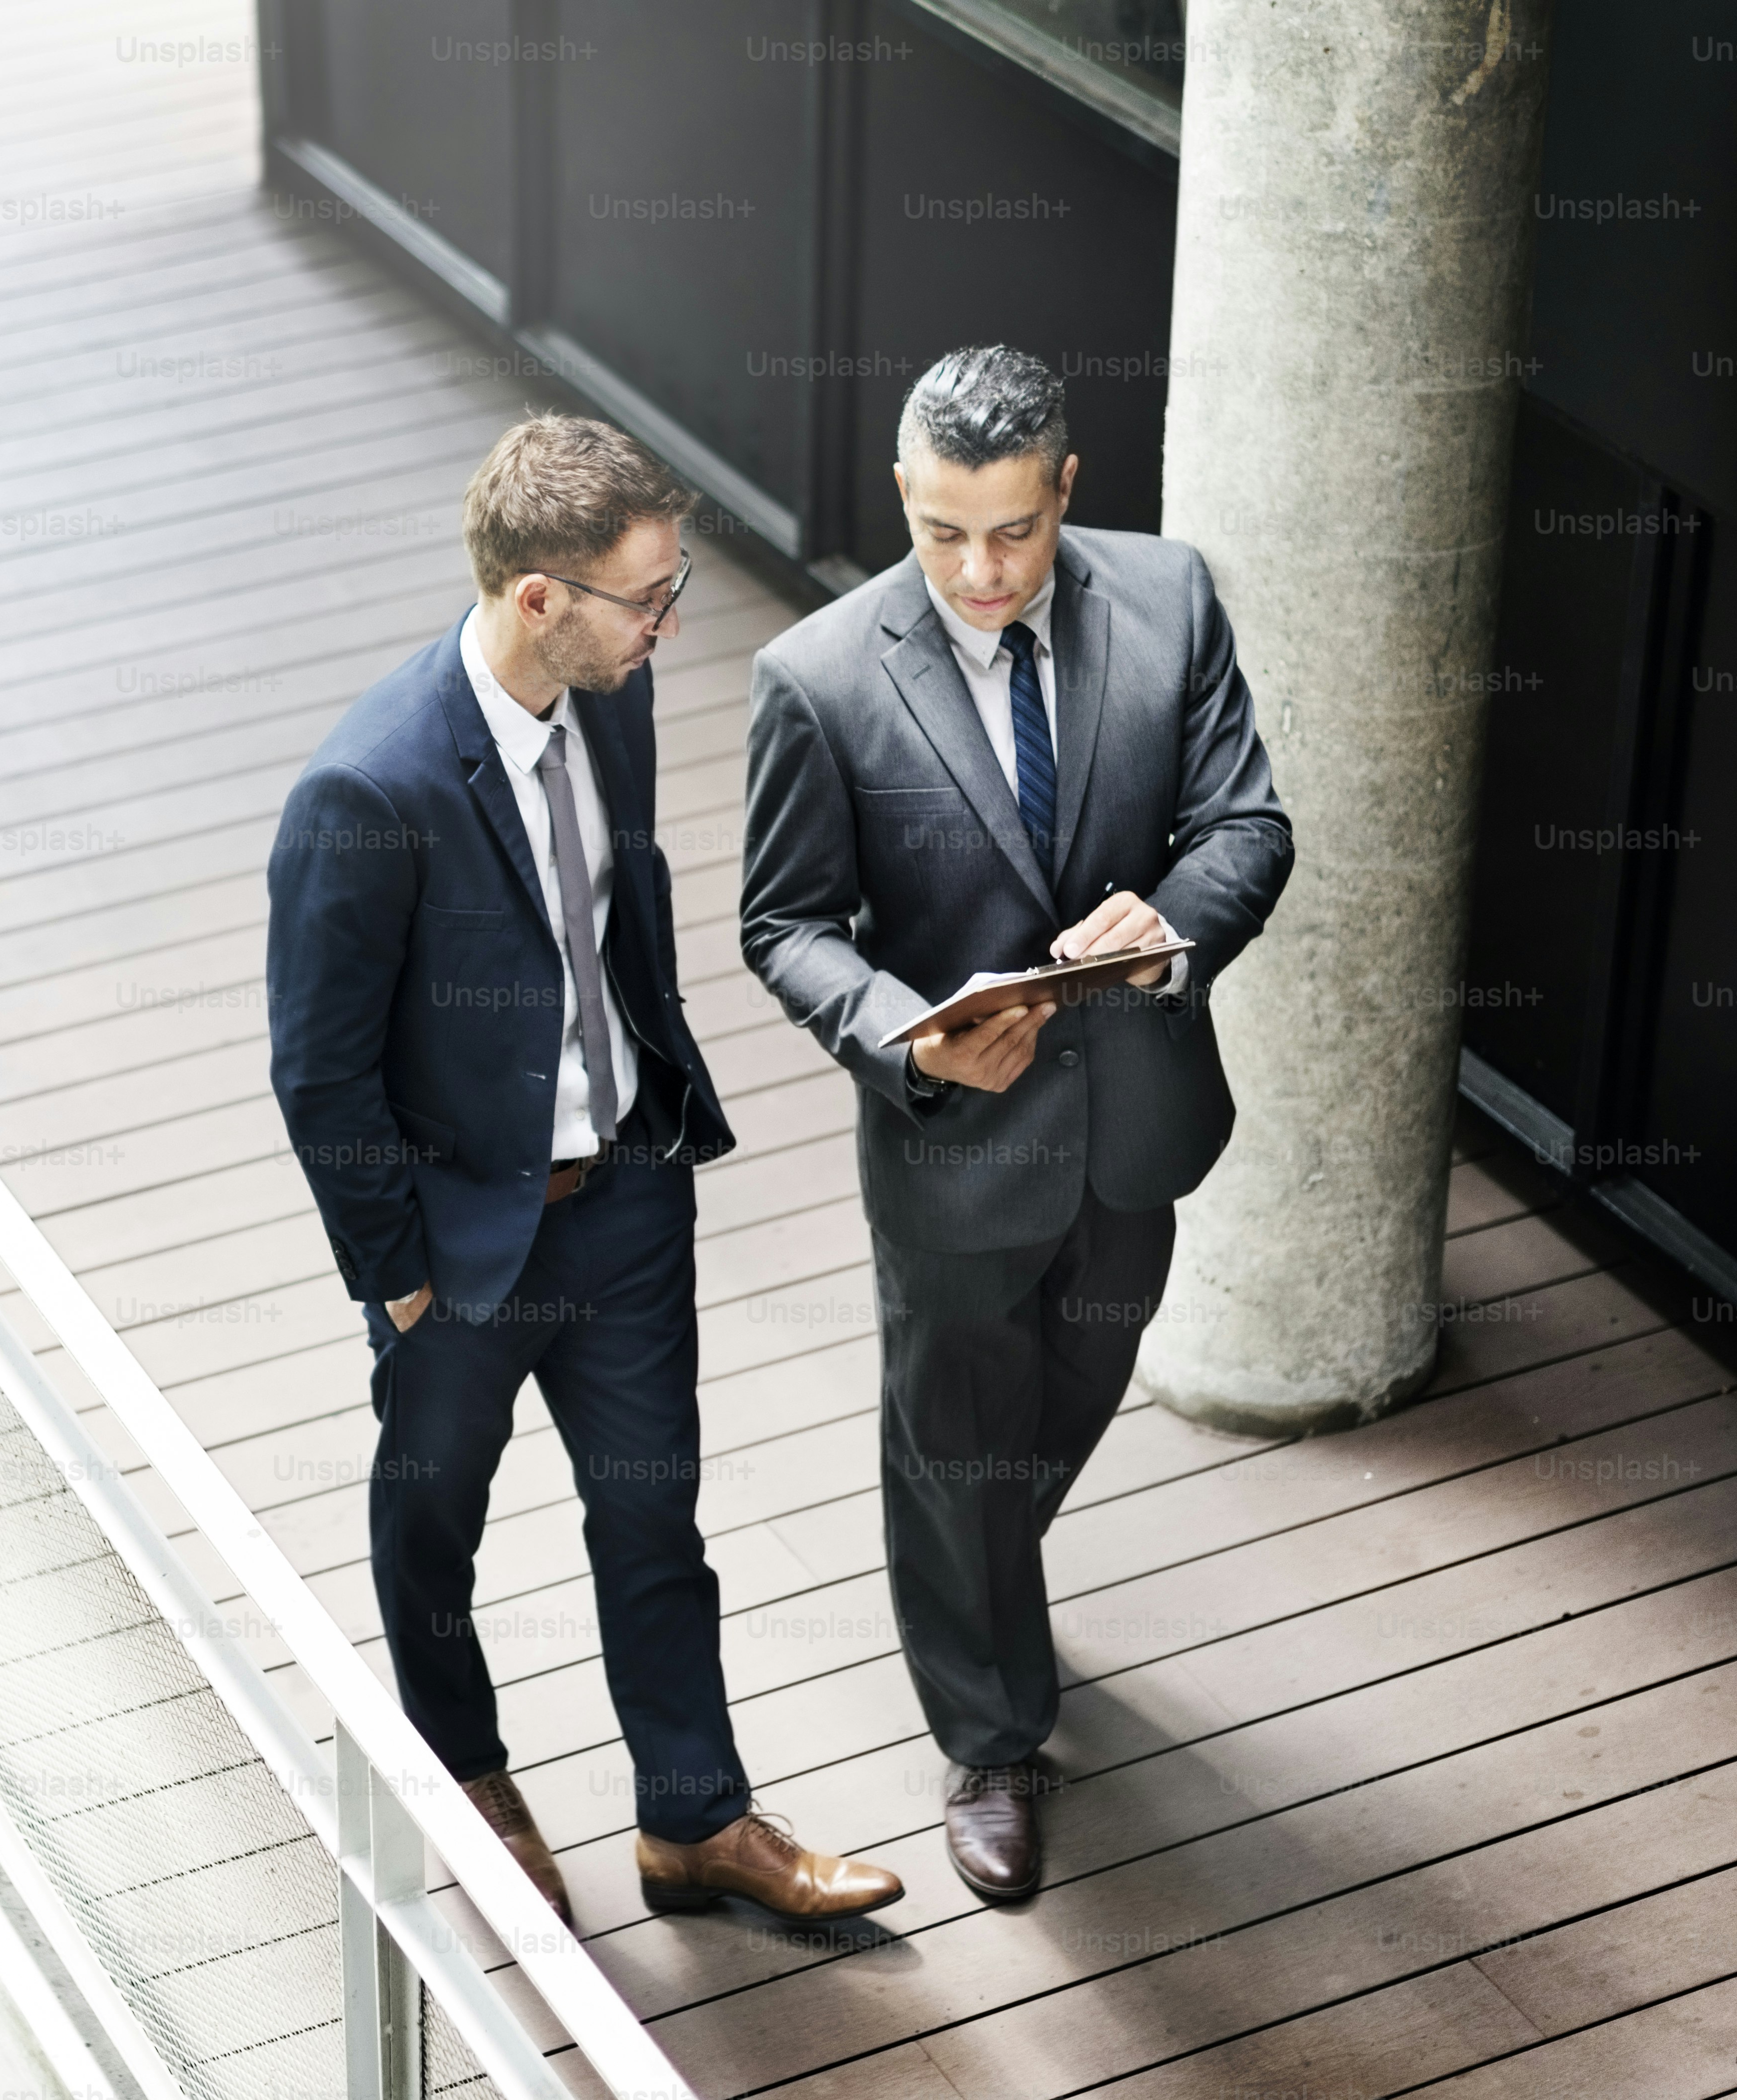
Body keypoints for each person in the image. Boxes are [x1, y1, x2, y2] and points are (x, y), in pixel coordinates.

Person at [267, 412, 901, 1926]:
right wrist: (401, 1277)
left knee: (654, 1523)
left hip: (622, 1200)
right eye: (648, 597)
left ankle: (693, 1819)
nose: (669, 624)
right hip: (461, 1249)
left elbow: (618, 919)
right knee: (433, 1530)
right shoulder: (367, 791)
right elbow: (320, 1068)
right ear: (539, 597)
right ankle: (469, 1785)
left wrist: (654, 1125)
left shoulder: (609, 697)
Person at [740, 347, 1293, 1902]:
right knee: (956, 1435)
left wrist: (1171, 920)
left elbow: (1247, 822)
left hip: (1134, 1118)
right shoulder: (820, 679)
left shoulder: (1171, 599)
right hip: (951, 1147)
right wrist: (904, 1043)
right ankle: (989, 1733)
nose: (977, 574)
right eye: (939, 534)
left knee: (1059, 1398)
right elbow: (788, 925)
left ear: (1067, 488)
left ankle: (967, 1565)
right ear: (902, 498)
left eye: (1011, 532)